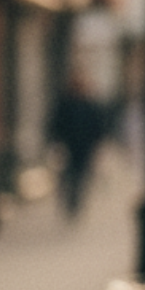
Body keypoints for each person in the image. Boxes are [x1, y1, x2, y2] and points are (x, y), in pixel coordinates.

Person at [47, 67, 108, 219]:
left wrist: (97, 146)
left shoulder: (90, 104)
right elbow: (56, 124)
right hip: (69, 146)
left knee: (81, 176)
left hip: (85, 147)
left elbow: (98, 126)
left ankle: (75, 202)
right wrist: (57, 143)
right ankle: (69, 201)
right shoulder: (65, 103)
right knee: (68, 176)